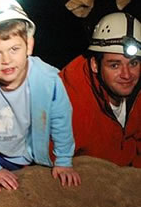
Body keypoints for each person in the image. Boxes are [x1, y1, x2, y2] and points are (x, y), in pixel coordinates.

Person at [0, 0, 81, 192]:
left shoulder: (47, 81)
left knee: (15, 171)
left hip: (14, 150)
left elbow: (60, 120)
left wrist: (63, 160)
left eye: (14, 49)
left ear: (29, 45)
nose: (7, 60)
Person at [59, 12, 141, 167]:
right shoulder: (68, 102)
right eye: (114, 65)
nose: (126, 75)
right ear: (95, 65)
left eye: (134, 63)